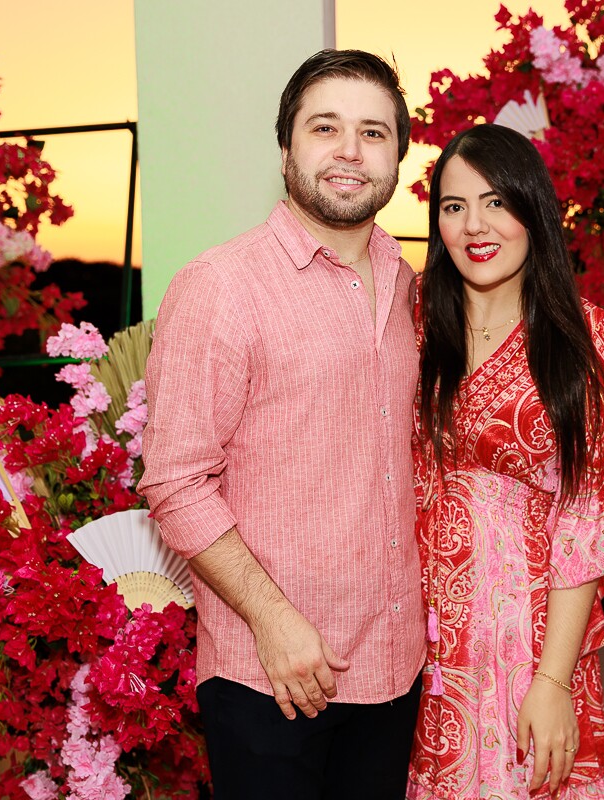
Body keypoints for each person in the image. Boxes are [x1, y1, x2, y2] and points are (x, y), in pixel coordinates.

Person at [139, 50, 423, 799]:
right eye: (325, 127)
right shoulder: (221, 287)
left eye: (374, 132)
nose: (350, 152)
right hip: (273, 672)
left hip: (396, 665)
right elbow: (175, 482)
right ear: (287, 146)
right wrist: (274, 620)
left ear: (399, 156)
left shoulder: (411, 290)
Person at [408, 124, 604, 800]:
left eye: (496, 202)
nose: (474, 225)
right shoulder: (410, 325)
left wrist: (552, 683)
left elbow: (591, 521)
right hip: (417, 641)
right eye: (454, 207)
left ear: (533, 209)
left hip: (534, 637)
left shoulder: (588, 338)